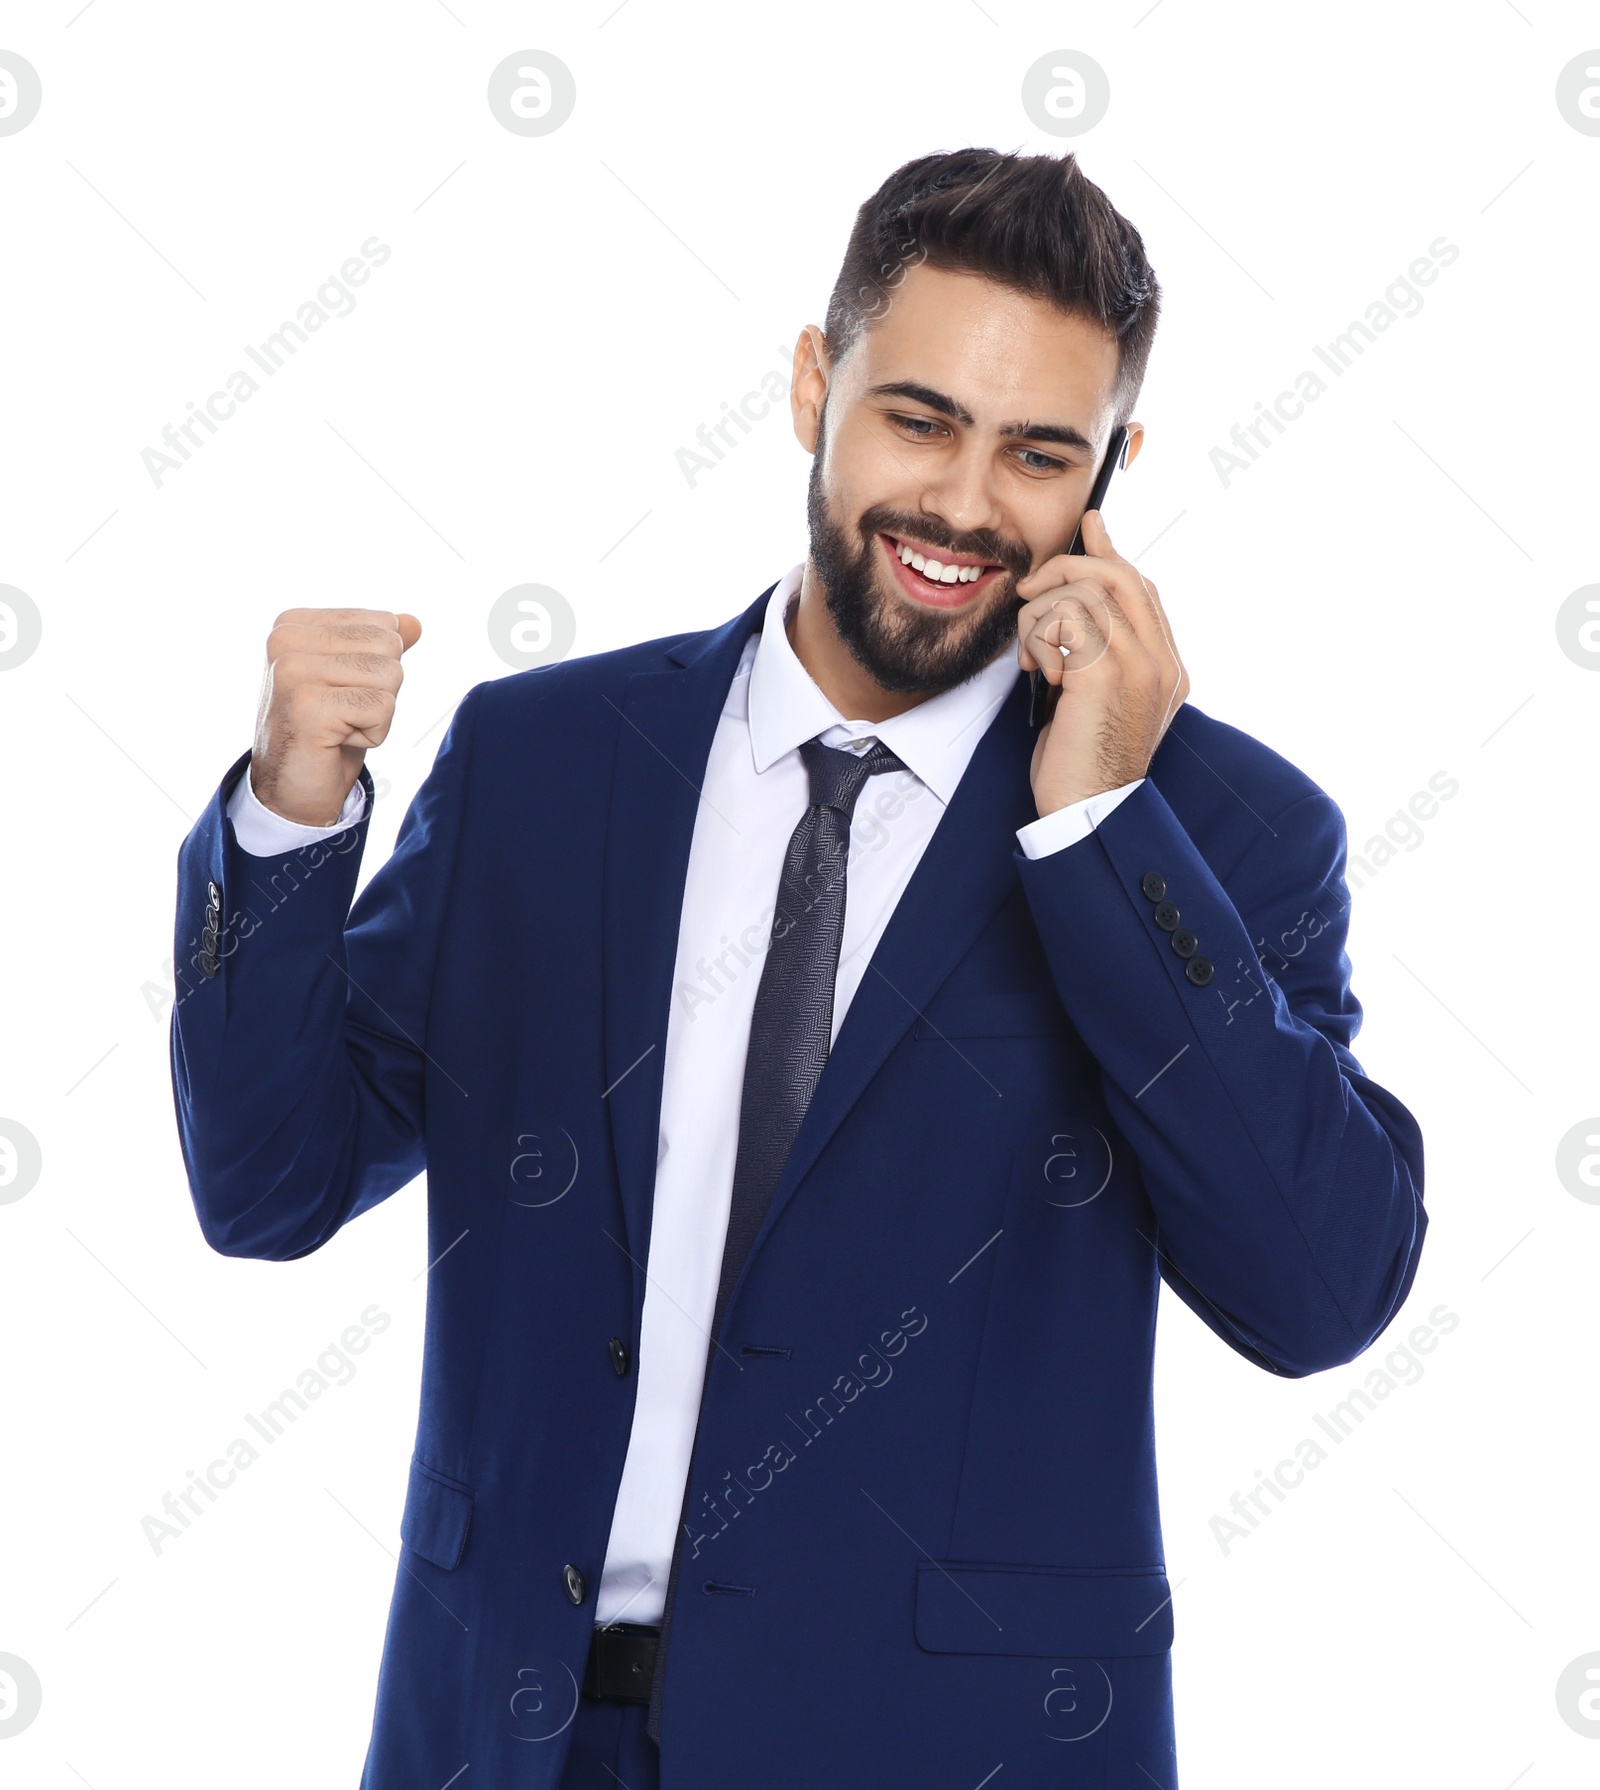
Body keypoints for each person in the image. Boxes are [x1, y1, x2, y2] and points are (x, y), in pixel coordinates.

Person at [170, 147, 1426, 1790]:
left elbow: (1319, 1294)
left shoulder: (1221, 831)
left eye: (1039, 453)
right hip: (515, 1730)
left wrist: (1106, 826)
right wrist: (287, 816)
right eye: (919, 419)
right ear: (813, 385)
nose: (968, 507)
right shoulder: (544, 763)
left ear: (1112, 472)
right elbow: (267, 1180)